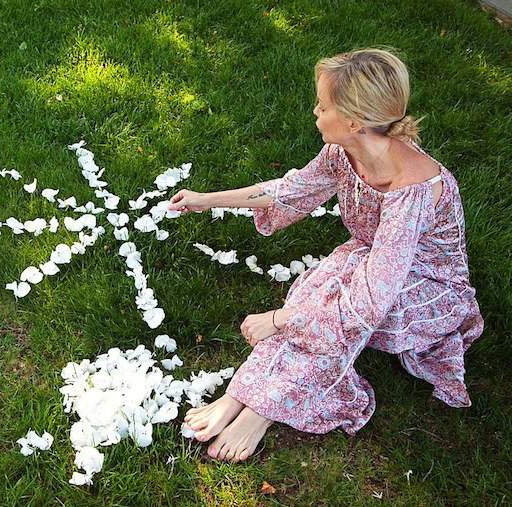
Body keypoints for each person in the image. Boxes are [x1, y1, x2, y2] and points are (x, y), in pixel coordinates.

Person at [168, 48, 484, 463]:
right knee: (313, 298)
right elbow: (289, 190)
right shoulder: (344, 152)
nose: (315, 111)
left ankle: (260, 407)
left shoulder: (413, 190)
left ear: (354, 121)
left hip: (424, 286)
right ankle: (243, 396)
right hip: (373, 258)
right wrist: (207, 200)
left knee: (334, 315)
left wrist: (280, 319)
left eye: (323, 105)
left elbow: (370, 302)